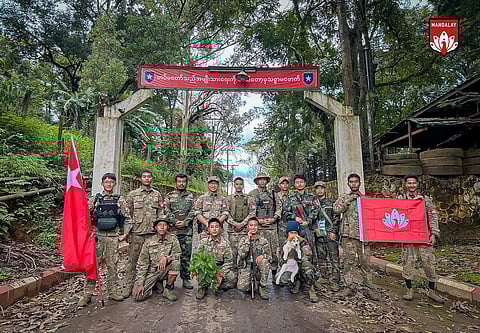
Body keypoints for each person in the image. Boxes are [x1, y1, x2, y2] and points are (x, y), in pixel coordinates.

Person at [78, 172, 126, 307]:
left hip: (112, 237)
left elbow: (127, 217)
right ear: (102, 184)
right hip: (98, 238)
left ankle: (113, 292)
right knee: (93, 267)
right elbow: (84, 213)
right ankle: (87, 294)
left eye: (111, 182)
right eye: (106, 182)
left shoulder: (119, 200)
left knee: (112, 266)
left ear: (114, 184)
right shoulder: (96, 199)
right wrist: (87, 232)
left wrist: (125, 235)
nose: (109, 184)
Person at [398, 174, 445, 303]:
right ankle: (409, 289)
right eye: (409, 183)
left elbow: (433, 216)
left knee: (428, 262)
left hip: (424, 235)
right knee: (408, 262)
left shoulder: (426, 199)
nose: (411, 185)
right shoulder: (401, 199)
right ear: (405, 184)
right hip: (408, 236)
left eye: (414, 183)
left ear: (417, 184)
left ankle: (431, 291)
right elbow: (396, 215)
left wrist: (434, 233)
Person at [334, 173, 380, 301]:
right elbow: (336, 210)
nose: (354, 184)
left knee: (365, 263)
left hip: (363, 236)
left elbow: (373, 216)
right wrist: (348, 200)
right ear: (348, 184)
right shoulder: (344, 197)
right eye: (351, 182)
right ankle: (348, 286)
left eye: (356, 181)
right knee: (348, 262)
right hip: (348, 235)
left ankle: (369, 288)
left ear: (359, 183)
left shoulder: (366, 199)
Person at [120, 169, 165, 298]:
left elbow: (161, 214)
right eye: (144, 177)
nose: (147, 179)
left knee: (154, 261)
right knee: (133, 261)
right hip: (137, 234)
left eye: (149, 177)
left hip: (152, 234)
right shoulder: (133, 195)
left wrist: (160, 231)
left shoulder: (157, 195)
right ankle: (128, 287)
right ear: (141, 179)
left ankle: (156, 283)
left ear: (152, 179)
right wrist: (127, 233)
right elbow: (127, 215)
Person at [133, 216, 180, 302]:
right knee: (138, 297)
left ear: (168, 227)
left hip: (165, 270)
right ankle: (157, 284)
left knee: (176, 263)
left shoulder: (173, 239)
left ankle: (167, 289)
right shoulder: (149, 242)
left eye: (164, 225)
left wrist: (167, 258)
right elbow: (142, 263)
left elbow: (178, 254)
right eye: (159, 225)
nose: (162, 227)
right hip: (152, 272)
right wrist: (140, 284)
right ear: (155, 227)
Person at [164, 173, 196, 289]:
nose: (181, 183)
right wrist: (174, 221)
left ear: (186, 183)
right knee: (172, 255)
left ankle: (186, 278)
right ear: (175, 182)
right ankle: (170, 281)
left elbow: (194, 211)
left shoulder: (191, 196)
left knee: (186, 256)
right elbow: (166, 210)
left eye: (183, 181)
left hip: (187, 231)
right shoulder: (169, 196)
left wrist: (185, 222)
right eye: (179, 181)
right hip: (173, 231)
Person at [248, 172, 281, 279]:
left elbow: (279, 207)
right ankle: (258, 277)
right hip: (258, 229)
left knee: (274, 252)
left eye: (264, 179)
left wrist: (274, 218)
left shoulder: (272, 193)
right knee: (258, 252)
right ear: (257, 181)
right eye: (260, 179)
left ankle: (275, 275)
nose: (262, 181)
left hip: (272, 229)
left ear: (267, 181)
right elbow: (250, 210)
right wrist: (258, 221)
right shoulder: (252, 194)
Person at [276, 220, 319, 303]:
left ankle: (311, 289)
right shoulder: (285, 244)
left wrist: (300, 243)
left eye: (295, 232)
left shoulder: (303, 242)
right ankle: (297, 282)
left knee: (307, 268)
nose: (293, 235)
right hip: (292, 266)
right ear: (287, 233)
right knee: (282, 279)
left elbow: (308, 256)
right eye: (291, 232)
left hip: (302, 264)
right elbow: (282, 262)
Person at [195, 218, 236, 299]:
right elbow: (198, 258)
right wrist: (202, 268)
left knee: (231, 276)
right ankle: (202, 287)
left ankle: (220, 285)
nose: (214, 229)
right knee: (199, 271)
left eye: (216, 227)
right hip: (207, 267)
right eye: (212, 227)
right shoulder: (203, 242)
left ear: (220, 229)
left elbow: (229, 261)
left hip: (219, 267)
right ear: (208, 229)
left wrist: (221, 273)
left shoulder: (225, 244)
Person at [311, 181, 341, 292]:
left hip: (330, 234)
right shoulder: (313, 204)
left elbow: (337, 218)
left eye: (321, 188)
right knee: (321, 257)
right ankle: (324, 277)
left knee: (334, 258)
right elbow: (311, 218)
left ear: (325, 189)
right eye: (317, 188)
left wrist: (333, 231)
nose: (320, 190)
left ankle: (335, 281)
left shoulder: (331, 202)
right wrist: (315, 230)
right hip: (319, 235)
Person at [226, 176, 256, 278]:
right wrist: (234, 223)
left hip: (244, 231)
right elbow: (225, 213)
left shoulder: (249, 198)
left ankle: (244, 274)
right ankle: (234, 275)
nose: (239, 186)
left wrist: (242, 224)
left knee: (244, 253)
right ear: (234, 185)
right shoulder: (229, 198)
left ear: (243, 185)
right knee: (233, 254)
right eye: (237, 184)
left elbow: (252, 212)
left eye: (241, 184)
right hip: (232, 231)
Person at [237, 217, 271, 300]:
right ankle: (254, 284)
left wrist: (263, 256)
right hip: (248, 266)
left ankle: (262, 286)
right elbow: (242, 255)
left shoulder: (263, 241)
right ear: (247, 227)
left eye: (255, 225)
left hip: (259, 267)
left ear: (258, 227)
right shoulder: (243, 240)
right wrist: (248, 241)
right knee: (242, 287)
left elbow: (270, 257)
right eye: (251, 225)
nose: (253, 227)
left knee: (265, 262)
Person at [276, 176, 290, 247]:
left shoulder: (293, 196)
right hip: (280, 225)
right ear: (279, 185)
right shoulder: (275, 196)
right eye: (282, 183)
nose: (285, 185)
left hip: (291, 224)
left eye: (286, 183)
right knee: (282, 245)